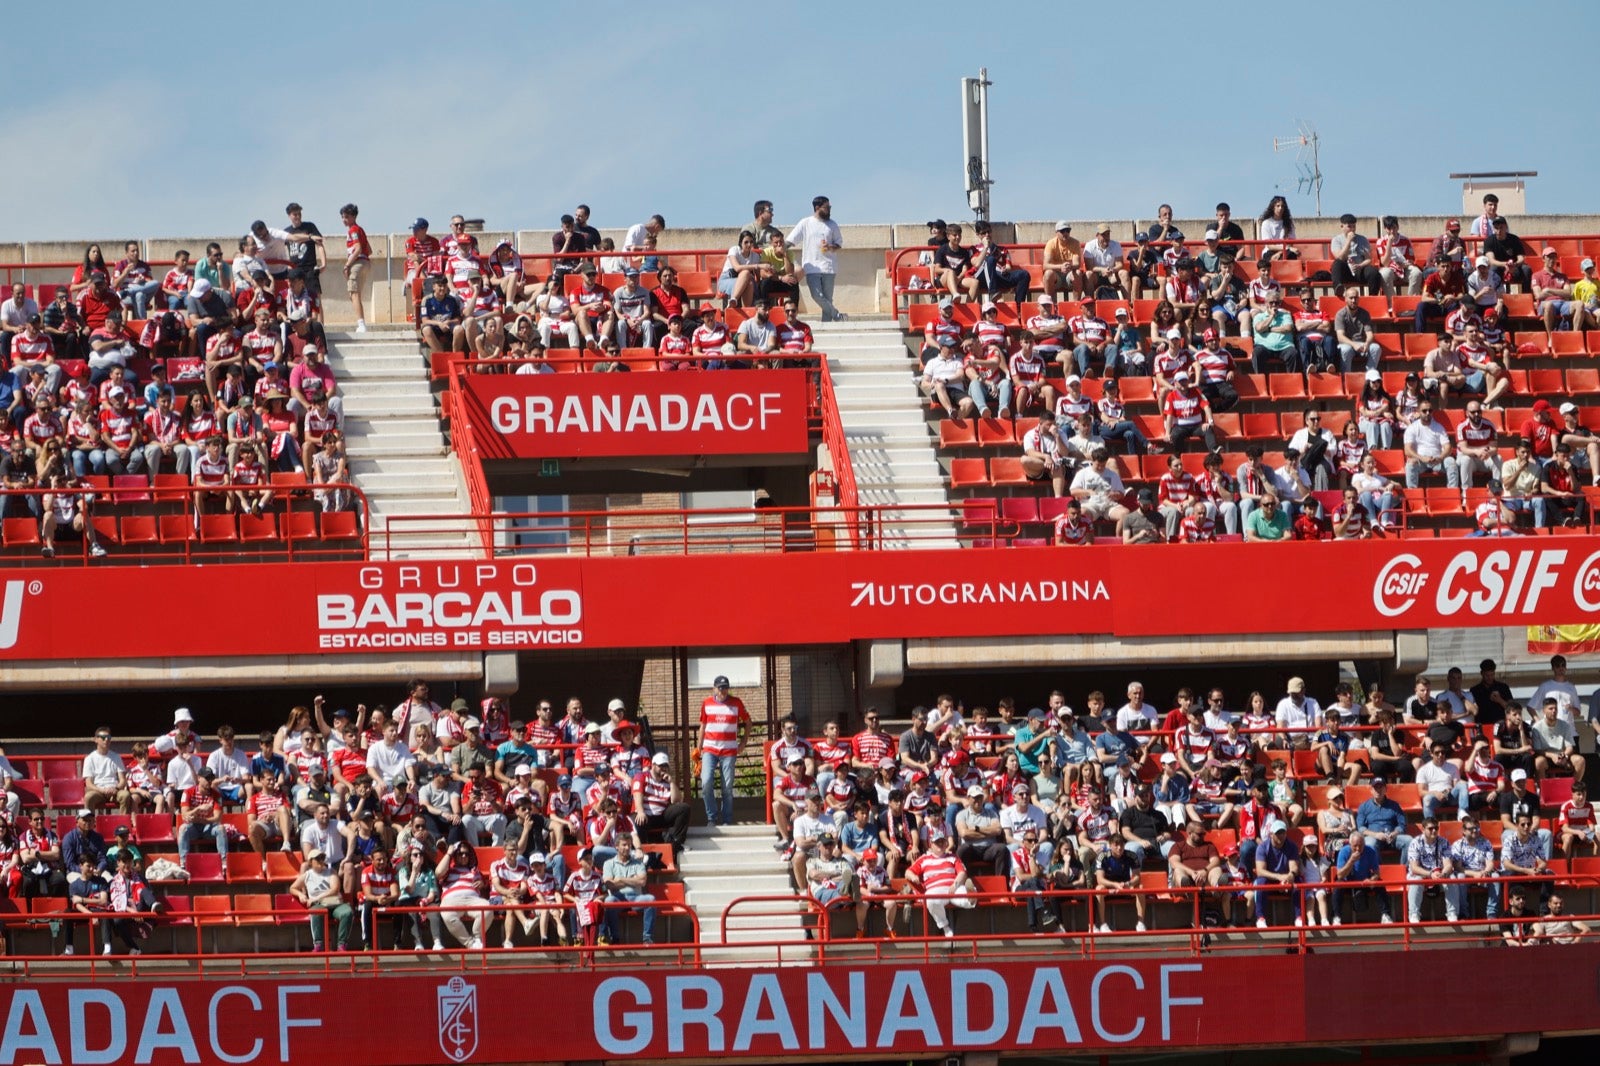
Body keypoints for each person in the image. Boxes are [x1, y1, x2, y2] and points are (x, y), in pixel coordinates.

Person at [698, 675, 749, 827]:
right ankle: (711, 817)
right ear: (714, 688)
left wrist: (743, 743)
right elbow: (703, 725)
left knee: (727, 786)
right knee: (706, 782)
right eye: (720, 688)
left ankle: (726, 819)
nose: (723, 691)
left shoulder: (736, 702)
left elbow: (748, 722)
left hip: (729, 751)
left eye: (725, 687)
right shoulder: (706, 703)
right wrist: (699, 746)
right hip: (709, 749)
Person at [787, 196, 843, 321]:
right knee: (816, 295)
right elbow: (791, 240)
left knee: (827, 299)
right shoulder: (805, 223)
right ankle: (837, 315)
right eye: (827, 207)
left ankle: (827, 327)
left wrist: (830, 247)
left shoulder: (832, 225)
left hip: (829, 267)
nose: (829, 209)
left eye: (830, 207)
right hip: (811, 267)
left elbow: (839, 244)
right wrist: (780, 248)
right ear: (817, 208)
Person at [1252, 820, 1302, 928]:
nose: (1281, 836)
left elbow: (1294, 867)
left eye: (1283, 833)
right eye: (1278, 833)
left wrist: (1291, 875)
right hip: (1270, 879)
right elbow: (1260, 871)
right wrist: (1279, 877)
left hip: (1286, 879)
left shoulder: (1292, 846)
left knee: (1298, 882)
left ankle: (1299, 917)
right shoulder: (1262, 847)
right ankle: (1260, 917)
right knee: (1260, 882)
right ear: (1271, 834)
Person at [1093, 833, 1147, 933]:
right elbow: (1099, 879)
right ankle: (1103, 924)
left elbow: (1137, 876)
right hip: (1109, 888)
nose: (1119, 848)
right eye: (1116, 845)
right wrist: (1114, 885)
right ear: (1110, 845)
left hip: (1125, 887)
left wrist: (1129, 884)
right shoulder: (1102, 857)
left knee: (1140, 887)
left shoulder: (1131, 855)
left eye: (1121, 845)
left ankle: (1140, 923)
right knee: (1099, 889)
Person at [1403, 400, 1459, 489]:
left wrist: (1440, 457)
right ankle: (1412, 494)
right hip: (1420, 461)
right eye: (1424, 411)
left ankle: (1452, 491)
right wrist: (1422, 458)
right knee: (1410, 463)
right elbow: (1407, 450)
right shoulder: (1412, 428)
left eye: (1430, 410)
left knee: (1451, 462)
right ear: (1418, 411)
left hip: (1437, 460)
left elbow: (1448, 447)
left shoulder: (1439, 427)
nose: (1428, 413)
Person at [1330, 214, 1382, 294]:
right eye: (1349, 227)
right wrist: (1348, 241)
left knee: (1373, 271)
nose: (1352, 229)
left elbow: (1368, 259)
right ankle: (1338, 288)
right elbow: (1340, 257)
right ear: (1342, 226)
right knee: (1337, 263)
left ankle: (1373, 297)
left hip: (1359, 269)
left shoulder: (1363, 239)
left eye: (1354, 227)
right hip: (1346, 270)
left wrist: (1360, 265)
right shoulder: (1336, 240)